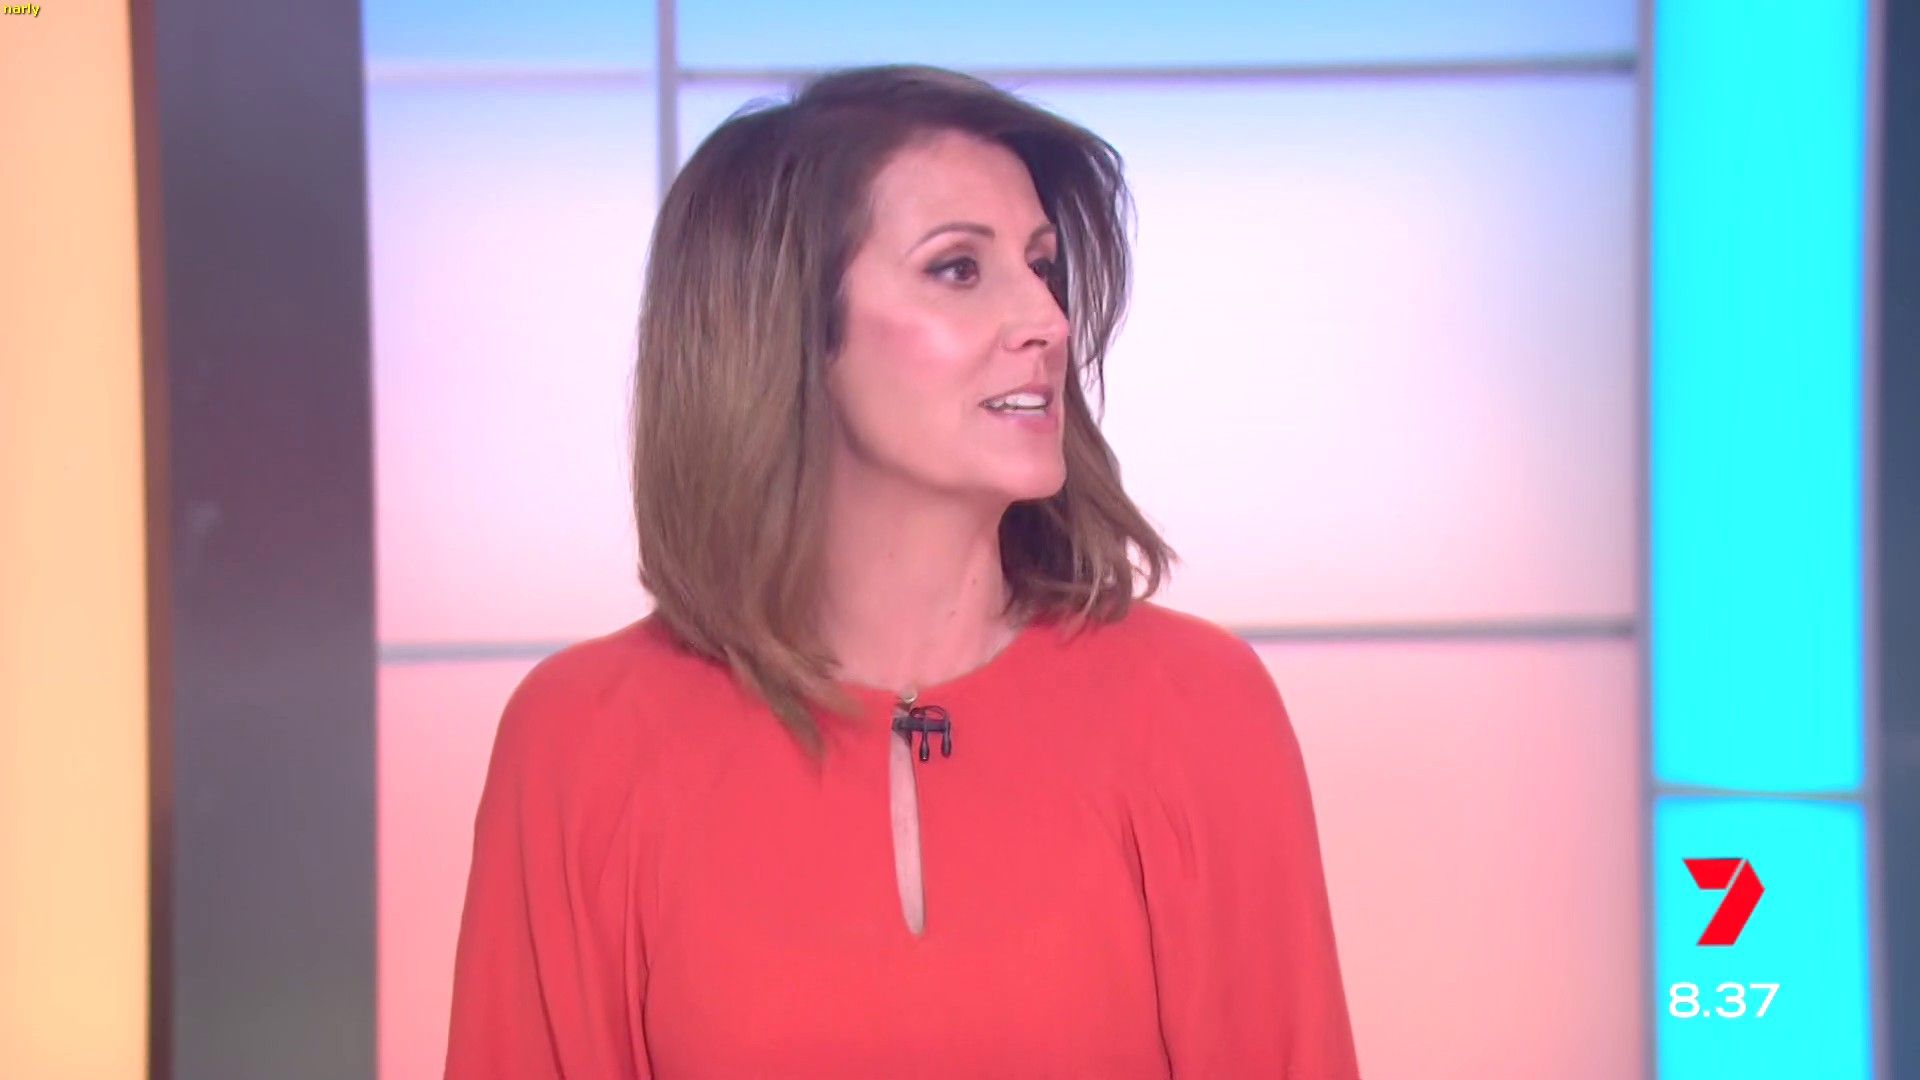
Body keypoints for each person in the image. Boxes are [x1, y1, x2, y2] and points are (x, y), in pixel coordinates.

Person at [444, 63, 1360, 1079]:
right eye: (959, 269)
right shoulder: (583, 742)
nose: (1048, 321)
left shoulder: (1199, 709)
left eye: (1041, 266)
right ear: (790, 330)